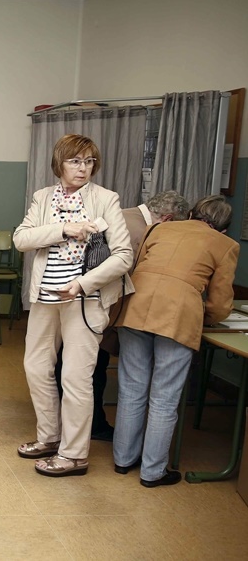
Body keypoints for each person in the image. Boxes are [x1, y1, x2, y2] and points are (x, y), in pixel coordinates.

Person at [13, 133, 133, 477]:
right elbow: (22, 239)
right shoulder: (43, 197)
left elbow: (124, 256)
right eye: (75, 161)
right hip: (45, 297)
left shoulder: (106, 199)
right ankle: (49, 437)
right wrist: (64, 228)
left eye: (89, 161)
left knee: (76, 376)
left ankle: (74, 454)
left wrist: (82, 283)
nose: (83, 168)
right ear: (59, 163)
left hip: (85, 298)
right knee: (36, 367)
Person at [113, 195, 238, 487]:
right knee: (164, 398)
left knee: (131, 389)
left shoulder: (158, 229)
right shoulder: (226, 245)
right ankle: (152, 472)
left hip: (136, 307)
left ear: (192, 213)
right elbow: (220, 304)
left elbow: (136, 268)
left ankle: (123, 460)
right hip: (178, 316)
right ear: (224, 228)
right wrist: (206, 316)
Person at [54, 190, 190, 442]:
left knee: (72, 363)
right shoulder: (140, 230)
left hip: (75, 297)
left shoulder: (124, 215)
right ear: (168, 219)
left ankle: (69, 420)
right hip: (96, 304)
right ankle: (90, 426)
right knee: (91, 370)